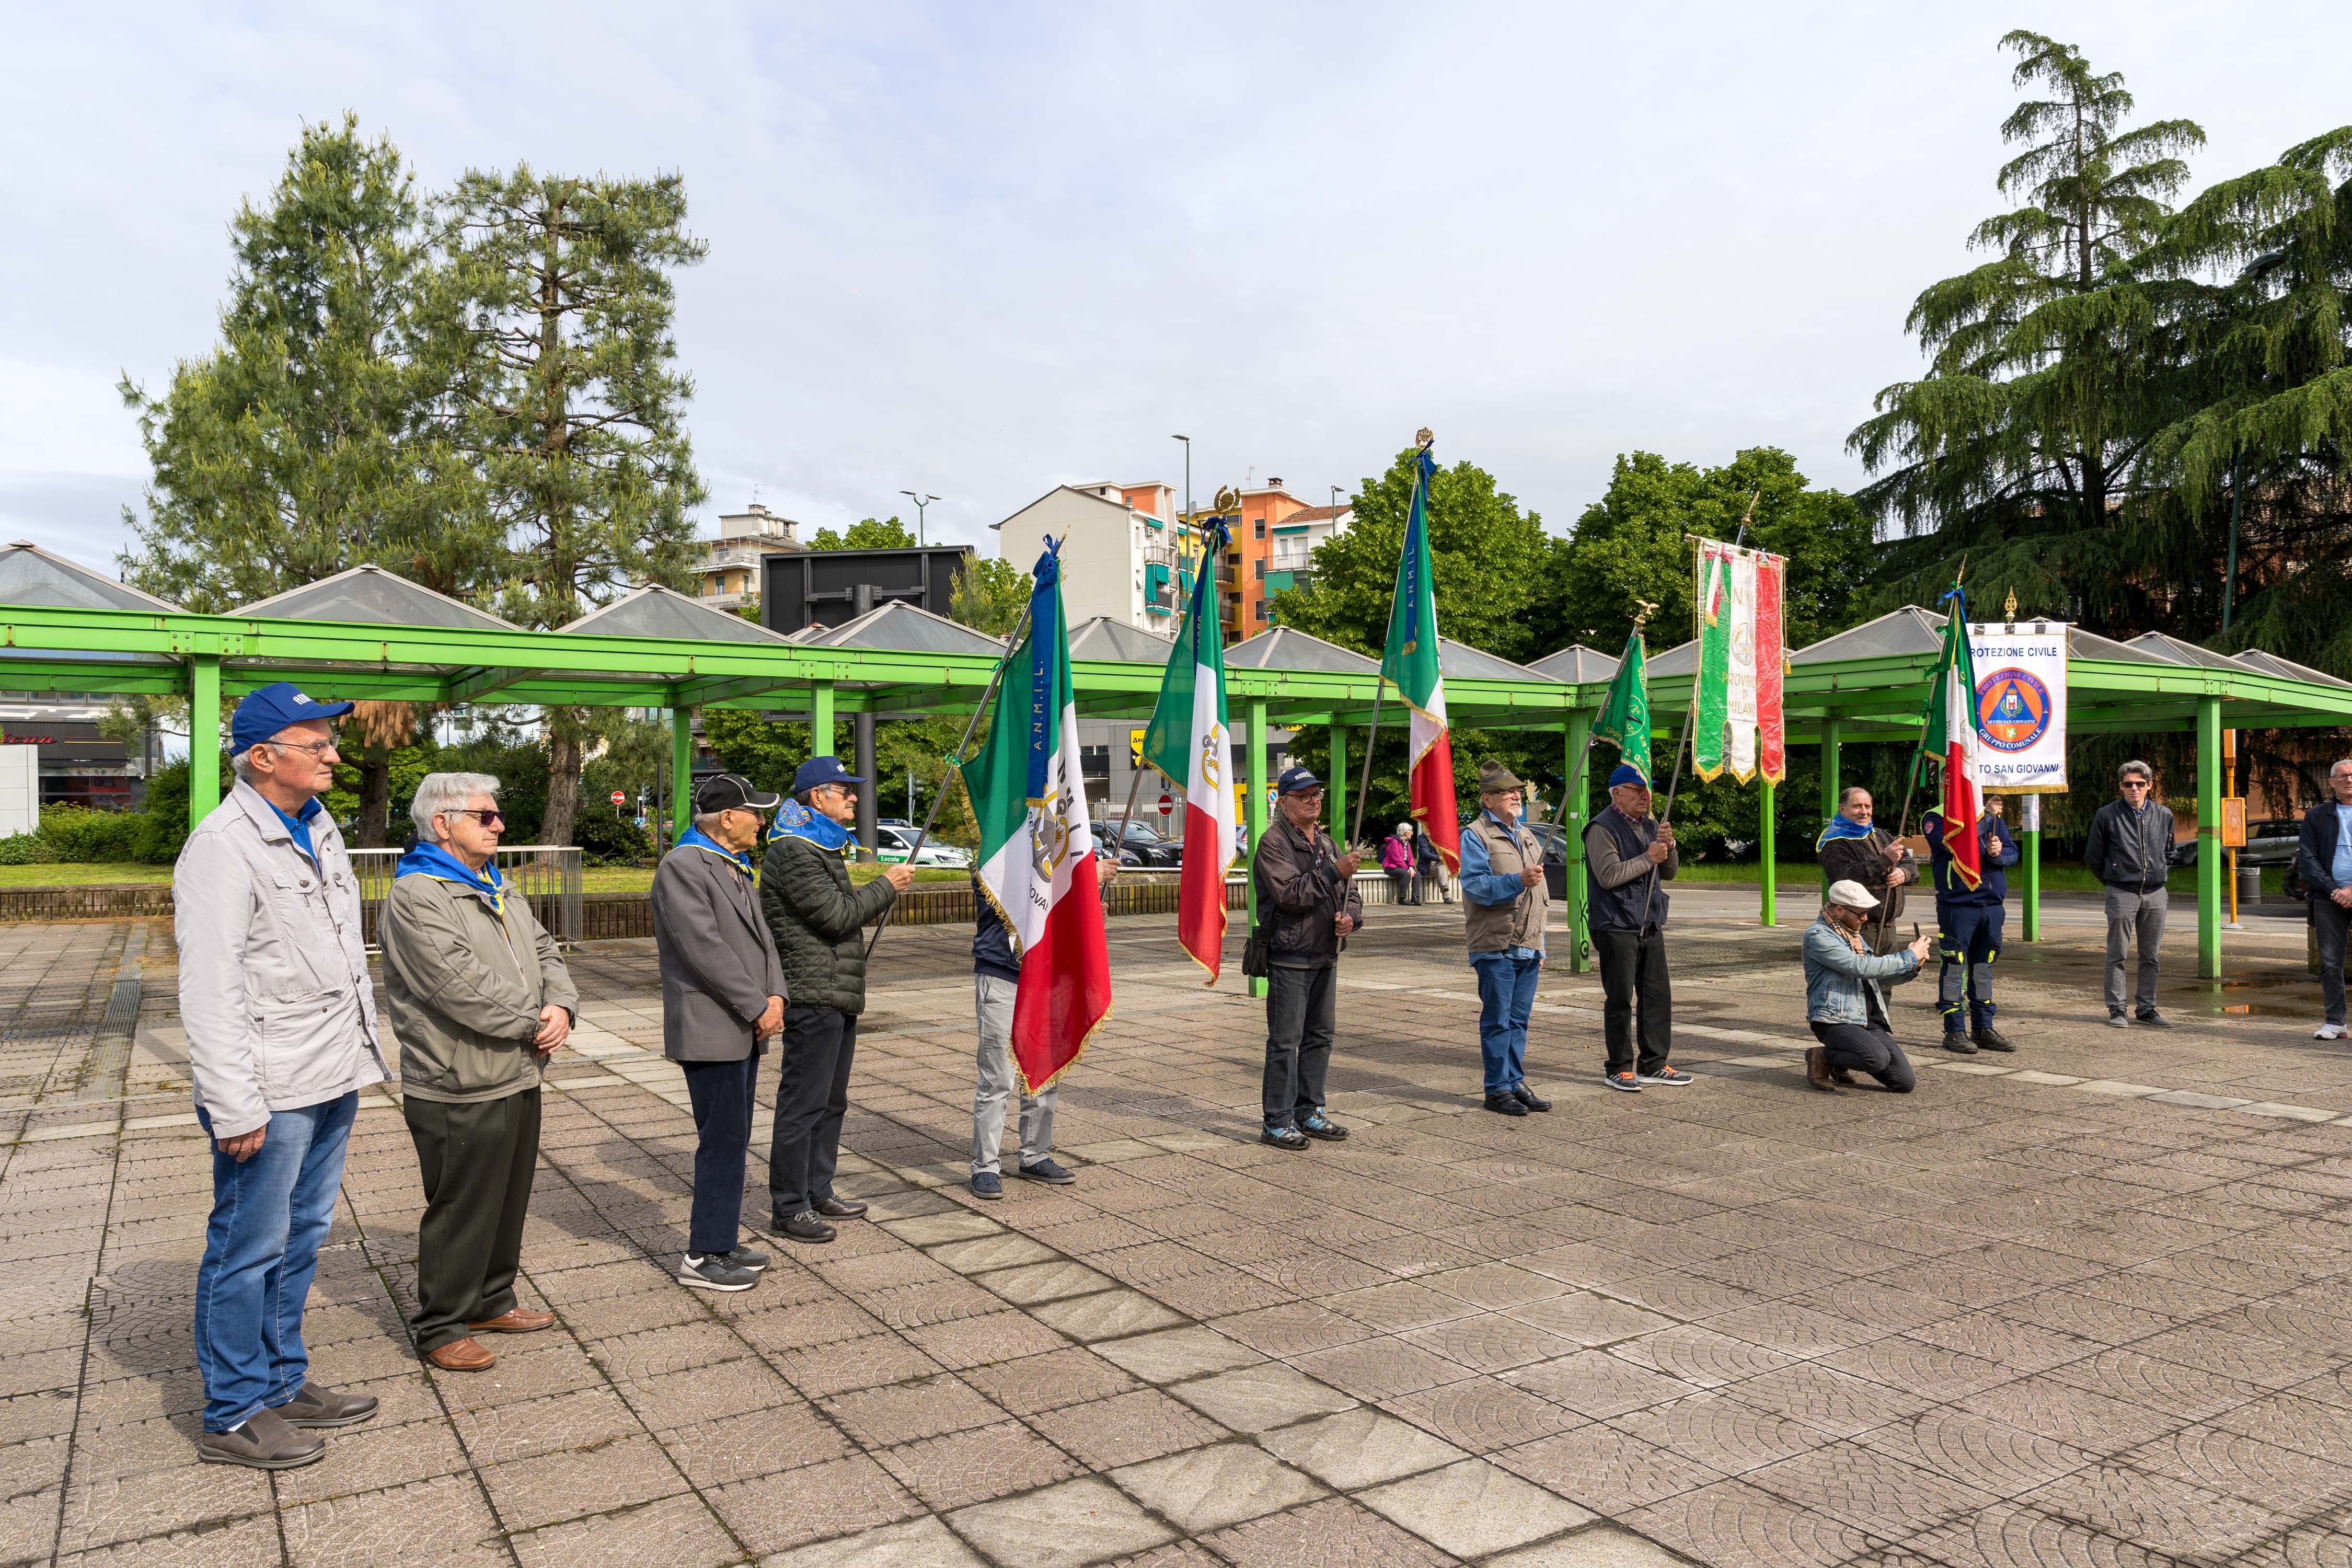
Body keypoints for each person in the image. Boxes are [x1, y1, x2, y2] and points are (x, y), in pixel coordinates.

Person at [176, 683, 389, 1469]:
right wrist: (234, 1105)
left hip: (330, 1073)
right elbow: (210, 985)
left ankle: (281, 1379)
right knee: (248, 1247)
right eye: (316, 744)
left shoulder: (315, 825)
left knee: (302, 1238)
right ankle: (233, 1410)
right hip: (268, 1089)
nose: (335, 754)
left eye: (331, 740)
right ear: (263, 758)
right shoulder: (222, 846)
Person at [381, 773, 578, 1373]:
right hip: (458, 1079)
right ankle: (441, 1323)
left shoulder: (492, 882)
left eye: (496, 815)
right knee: (463, 1206)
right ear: (443, 824)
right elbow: (456, 983)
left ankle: (492, 1298)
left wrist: (562, 1005)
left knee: (508, 1197)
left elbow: (545, 949)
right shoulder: (419, 894)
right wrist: (531, 1020)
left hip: (516, 1069)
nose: (499, 825)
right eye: (485, 817)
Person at [762, 756, 913, 1242]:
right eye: (843, 789)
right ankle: (788, 1206)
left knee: (831, 1102)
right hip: (813, 994)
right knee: (803, 1104)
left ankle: (817, 1189)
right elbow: (835, 917)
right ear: (815, 797)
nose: (853, 797)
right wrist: (885, 888)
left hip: (835, 992)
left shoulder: (818, 846)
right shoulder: (794, 850)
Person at [652, 773, 787, 1290]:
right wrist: (758, 1004)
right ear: (728, 818)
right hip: (714, 1024)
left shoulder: (732, 864)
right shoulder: (684, 867)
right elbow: (704, 949)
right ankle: (703, 1254)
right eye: (756, 812)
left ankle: (723, 1242)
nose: (763, 821)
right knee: (722, 1141)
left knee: (734, 1138)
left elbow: (762, 940)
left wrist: (776, 995)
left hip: (743, 1023)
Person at [1252, 766, 1364, 1149]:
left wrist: (1352, 917)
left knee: (1320, 1038)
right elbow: (1292, 895)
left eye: (1317, 794)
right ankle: (1277, 1120)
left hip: (1326, 955)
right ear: (1284, 802)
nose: (1314, 800)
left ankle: (1309, 1110)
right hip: (1290, 957)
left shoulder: (1328, 844)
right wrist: (1335, 872)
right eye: (1304, 795)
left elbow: (1351, 893)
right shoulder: (1273, 844)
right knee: (1285, 1041)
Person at [968, 864, 1080, 1199]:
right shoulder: (997, 847)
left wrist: (1081, 901)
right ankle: (986, 1166)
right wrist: (1080, 876)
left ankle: (1035, 1154)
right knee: (998, 1076)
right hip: (1001, 973)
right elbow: (1010, 892)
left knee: (1044, 1069)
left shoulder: (1054, 839)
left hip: (1046, 971)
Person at [1585, 764, 1691, 1093]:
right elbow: (1609, 875)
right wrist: (1649, 856)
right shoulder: (1601, 828)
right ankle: (1618, 1067)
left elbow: (1669, 872)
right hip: (1616, 923)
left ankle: (1654, 1063)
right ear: (1617, 794)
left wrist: (1668, 847)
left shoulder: (1651, 825)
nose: (1645, 796)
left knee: (1658, 997)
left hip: (1649, 922)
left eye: (1648, 790)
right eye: (1637, 790)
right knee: (1619, 998)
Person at [1460, 761, 1554, 1115]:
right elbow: (1477, 887)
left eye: (1516, 791)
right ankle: (1496, 1089)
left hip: (1527, 945)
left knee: (1519, 1020)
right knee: (1498, 1019)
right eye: (1505, 792)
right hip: (1495, 944)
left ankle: (1515, 1081)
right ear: (1487, 800)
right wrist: (1518, 881)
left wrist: (1540, 943)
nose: (1516, 795)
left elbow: (1540, 895)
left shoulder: (1526, 834)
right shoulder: (1475, 835)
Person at [1803, 880, 1936, 1093]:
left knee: (1904, 1082)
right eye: (1861, 913)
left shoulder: (1852, 934)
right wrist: (1909, 956)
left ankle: (1841, 1058)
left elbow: (1876, 977)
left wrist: (1913, 967)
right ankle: (1823, 1056)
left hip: (1866, 1018)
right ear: (1839, 909)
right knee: (1876, 1058)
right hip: (1834, 1020)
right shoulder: (1819, 936)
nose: (1865, 918)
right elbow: (1860, 967)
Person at [1923, 793, 2022, 1055]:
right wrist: (1987, 817)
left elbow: (2013, 852)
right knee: (1955, 968)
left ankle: (1983, 1028)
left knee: (1982, 968)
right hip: (1958, 906)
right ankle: (1954, 1031)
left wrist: (2000, 853)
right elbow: (1959, 845)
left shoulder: (1989, 816)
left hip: (1992, 906)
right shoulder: (1935, 816)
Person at [2084, 760, 2175, 1028]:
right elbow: (2094, 857)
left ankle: (2147, 1008)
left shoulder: (2164, 814)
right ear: (2121, 786)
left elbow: (2169, 852)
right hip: (2122, 891)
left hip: (2156, 893)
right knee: (2117, 954)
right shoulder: (2107, 815)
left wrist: (2160, 872)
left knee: (2151, 955)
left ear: (2149, 785)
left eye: (2139, 784)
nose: (2134, 789)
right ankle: (2117, 1009)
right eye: (2128, 784)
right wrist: (2115, 878)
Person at [1816, 787, 1919, 954]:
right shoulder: (1834, 841)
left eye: (1868, 806)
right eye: (1857, 806)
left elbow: (1913, 868)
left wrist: (1904, 874)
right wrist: (1885, 860)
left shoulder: (1882, 835)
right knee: (1860, 979)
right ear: (1843, 809)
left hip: (1889, 928)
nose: (1864, 812)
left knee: (1887, 978)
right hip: (1857, 928)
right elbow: (1847, 878)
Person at [2296, 758, 2352, 1041]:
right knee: (2330, 963)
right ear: (2331, 783)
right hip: (2329, 898)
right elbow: (2307, 859)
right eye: (2342, 776)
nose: (2349, 780)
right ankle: (2335, 1021)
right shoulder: (2316, 815)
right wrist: (2334, 890)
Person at [1415, 821, 1452, 904]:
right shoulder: (1422, 838)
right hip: (1427, 866)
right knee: (1442, 868)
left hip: (1439, 864)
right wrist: (1439, 857)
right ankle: (1447, 896)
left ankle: (1444, 888)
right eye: (1426, 828)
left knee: (1443, 866)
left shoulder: (1438, 837)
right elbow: (1425, 854)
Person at [1380, 822, 1415, 905]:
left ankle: (1415, 897)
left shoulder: (1407, 844)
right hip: (1391, 867)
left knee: (1417, 874)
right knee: (1406, 875)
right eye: (1411, 831)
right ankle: (1402, 898)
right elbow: (1397, 858)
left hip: (1402, 866)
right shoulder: (1394, 842)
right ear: (1406, 832)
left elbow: (1411, 857)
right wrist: (1406, 869)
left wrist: (1411, 867)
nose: (1412, 833)